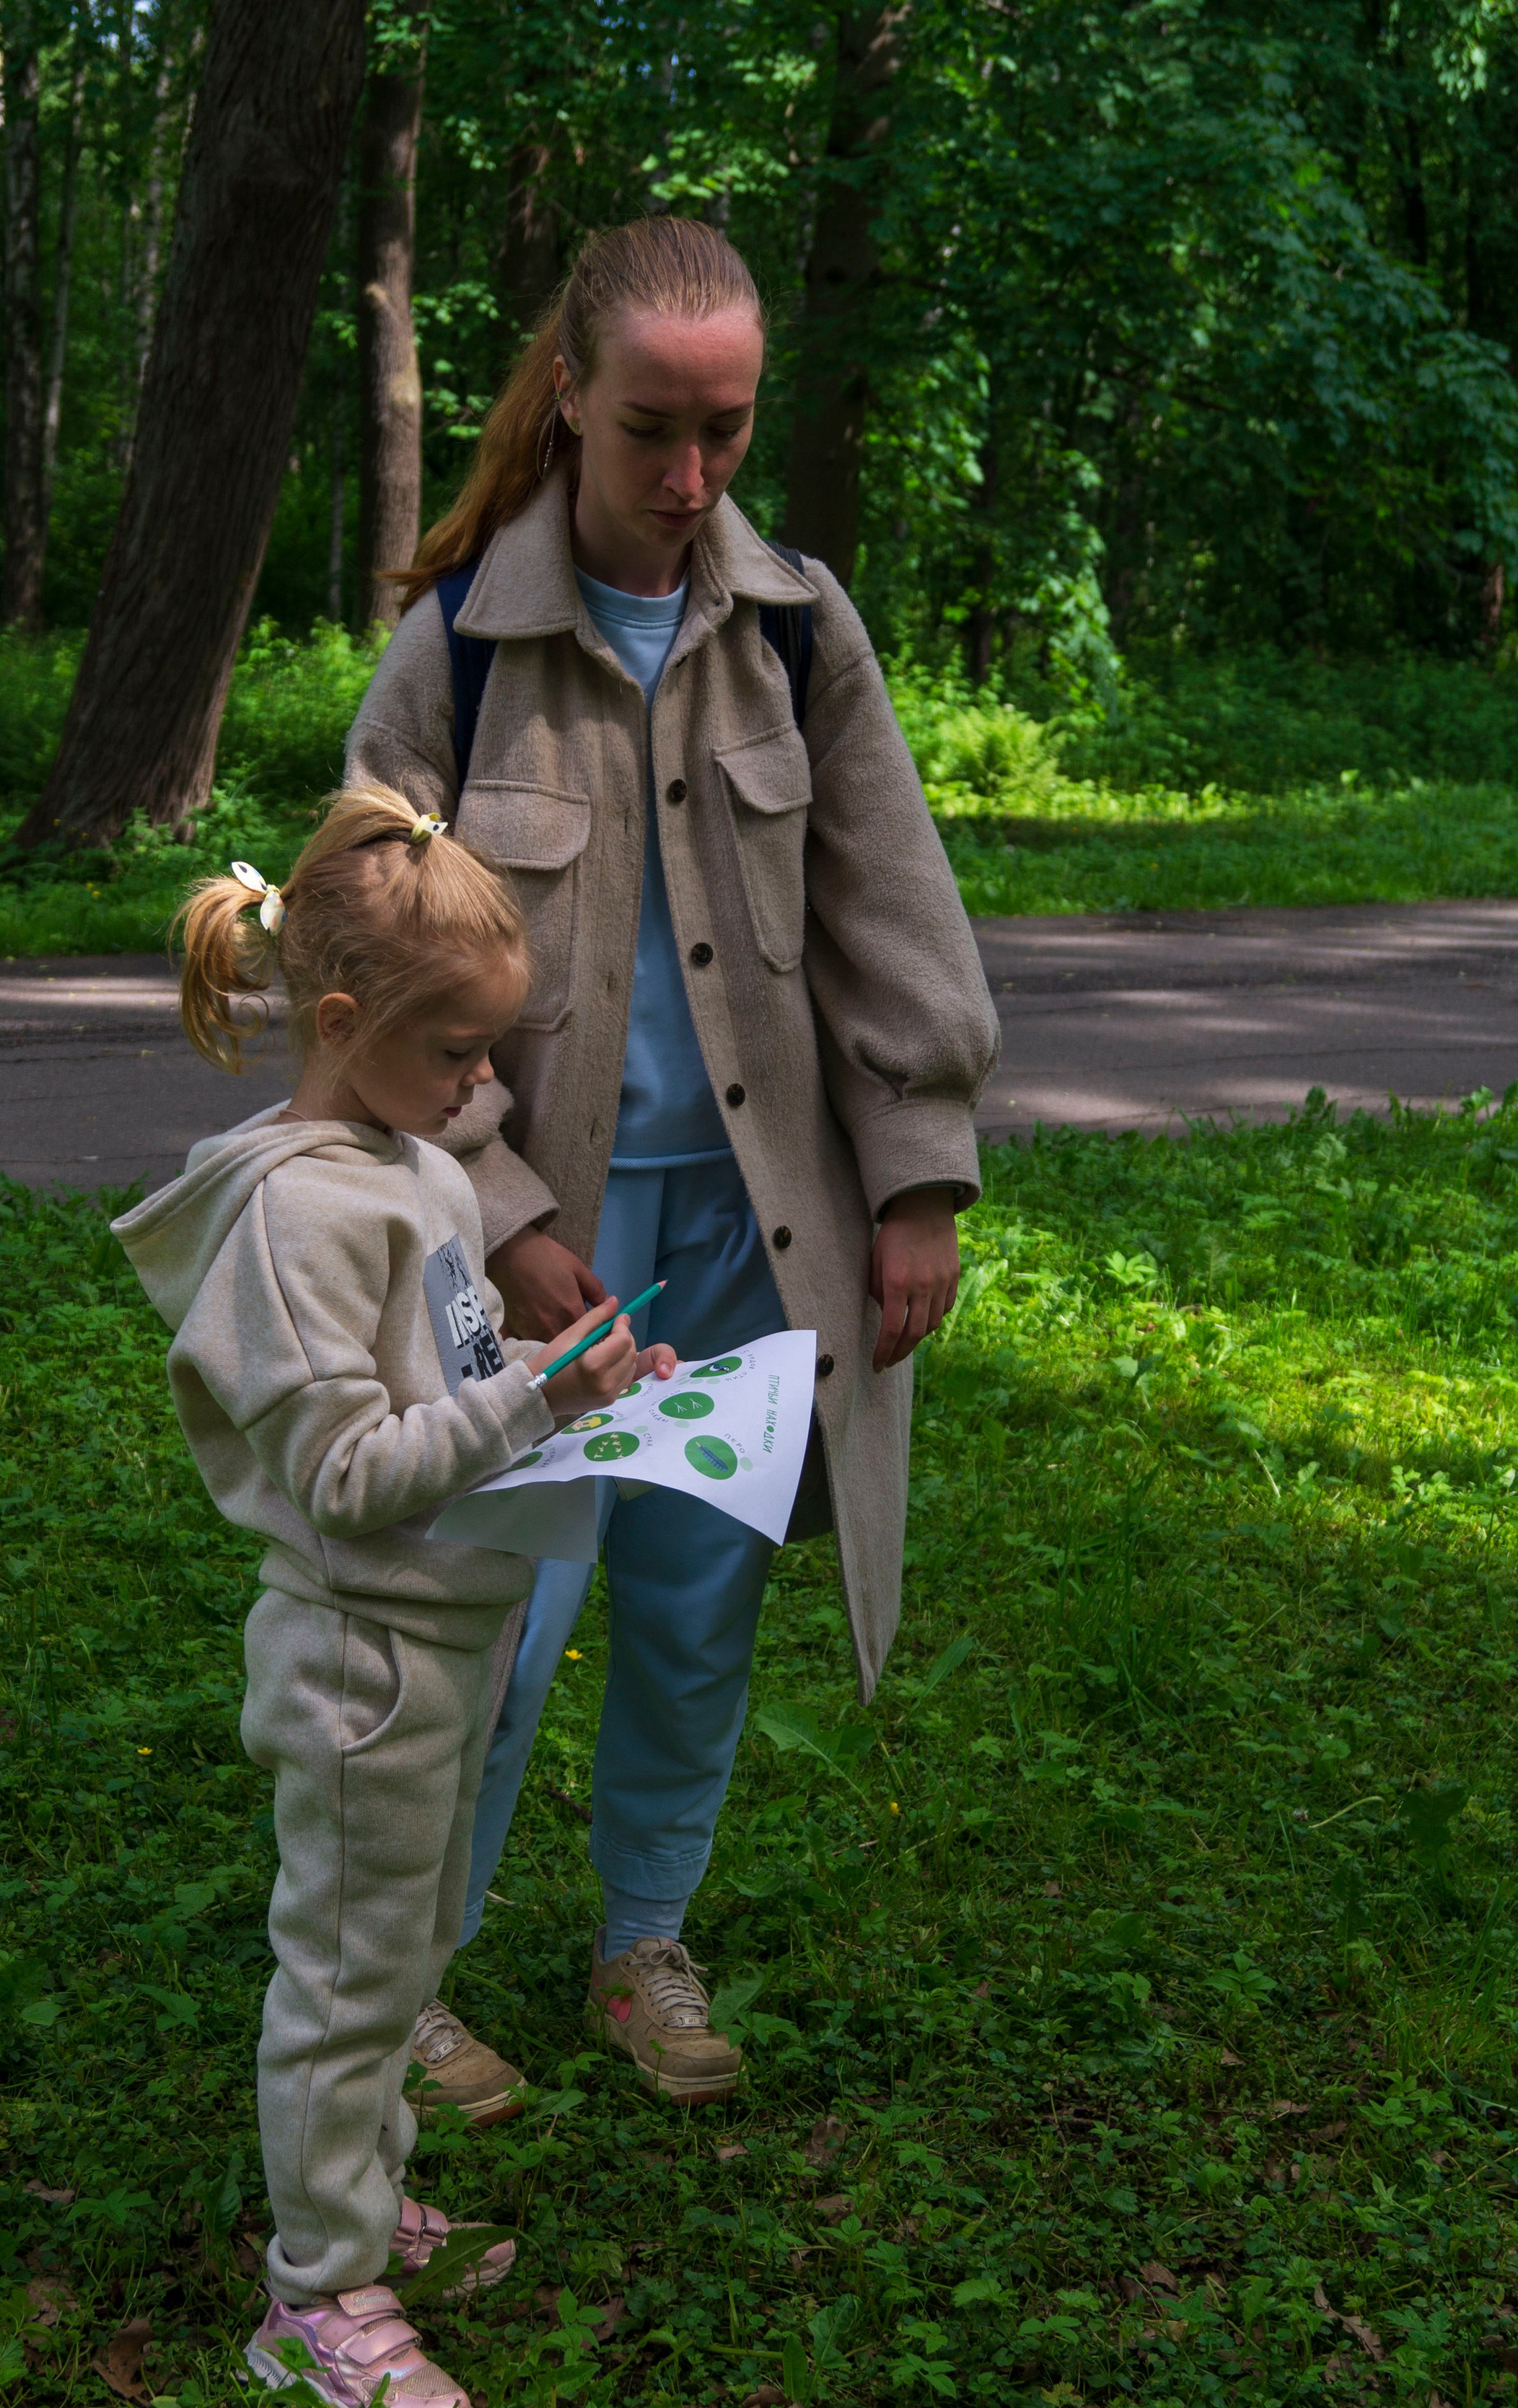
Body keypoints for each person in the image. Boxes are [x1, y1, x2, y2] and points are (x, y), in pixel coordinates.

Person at [347, 216, 999, 2119]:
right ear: (570, 396)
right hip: (523, 1251)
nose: (691, 474)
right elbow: (360, 956)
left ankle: (643, 1937)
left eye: (727, 427)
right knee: (491, 1622)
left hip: (748, 1228)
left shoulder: (797, 628)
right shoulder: (456, 651)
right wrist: (502, 1206)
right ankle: (399, 1982)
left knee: (700, 1605)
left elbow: (892, 913)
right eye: (651, 426)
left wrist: (918, 1183)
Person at [112, 784, 677, 2408]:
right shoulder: (295, 1214)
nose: (483, 1089)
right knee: (345, 1982)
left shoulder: (416, 1166)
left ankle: (361, 2202)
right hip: (360, 1658)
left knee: (411, 1950)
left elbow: (449, 1377)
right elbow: (351, 1473)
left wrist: (572, 1383)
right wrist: (527, 1404)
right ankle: (314, 2301)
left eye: (492, 1054)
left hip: (447, 1632)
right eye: (456, 1054)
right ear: (343, 1021)